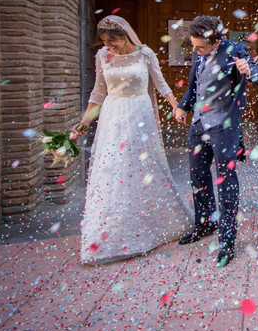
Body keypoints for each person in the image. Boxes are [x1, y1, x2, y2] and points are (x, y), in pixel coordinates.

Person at [74, 16, 192, 265]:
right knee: (112, 170)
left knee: (140, 168)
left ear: (125, 35)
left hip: (140, 115)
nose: (109, 46)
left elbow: (160, 84)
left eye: (112, 41)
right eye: (104, 41)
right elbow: (98, 92)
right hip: (113, 116)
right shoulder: (102, 57)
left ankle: (150, 226)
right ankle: (110, 235)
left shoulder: (145, 54)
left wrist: (176, 107)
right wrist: (84, 123)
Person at [174, 15, 258, 268]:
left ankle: (227, 241)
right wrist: (183, 106)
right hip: (198, 125)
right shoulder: (198, 51)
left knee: (225, 181)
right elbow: (195, 84)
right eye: (194, 46)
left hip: (222, 126)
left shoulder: (235, 50)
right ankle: (205, 223)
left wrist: (250, 71)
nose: (195, 51)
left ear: (216, 40)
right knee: (197, 176)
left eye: (200, 47)